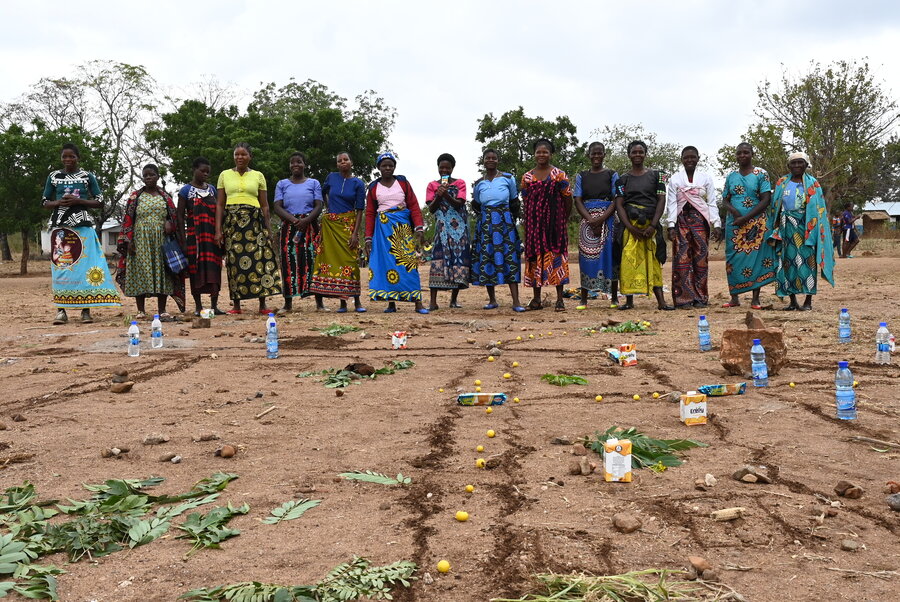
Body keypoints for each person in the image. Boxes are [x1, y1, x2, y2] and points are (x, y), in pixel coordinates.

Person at [42, 143, 120, 324]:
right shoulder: (54, 176)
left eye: (72, 157)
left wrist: (78, 200)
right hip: (60, 227)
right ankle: (61, 311)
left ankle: (86, 310)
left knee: (86, 266)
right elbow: (45, 201)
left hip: (83, 226)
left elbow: (100, 201)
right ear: (61, 158)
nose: (68, 160)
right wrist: (59, 202)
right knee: (61, 268)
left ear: (78, 158)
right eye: (64, 157)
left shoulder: (87, 176)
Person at [215, 143, 282, 314]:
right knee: (234, 262)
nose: (239, 157)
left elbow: (265, 206)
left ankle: (262, 304)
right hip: (232, 223)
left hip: (254, 222)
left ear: (250, 157)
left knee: (260, 259)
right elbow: (220, 204)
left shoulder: (259, 176)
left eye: (243, 154)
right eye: (236, 154)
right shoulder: (224, 175)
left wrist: (268, 229)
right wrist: (218, 230)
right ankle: (236, 305)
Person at [116, 164, 186, 319]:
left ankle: (162, 310)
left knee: (163, 273)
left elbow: (173, 217)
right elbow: (128, 219)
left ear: (158, 176)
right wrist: (129, 241)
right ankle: (141, 310)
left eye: (151, 175)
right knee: (140, 272)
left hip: (162, 241)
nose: (148, 178)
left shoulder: (166, 197)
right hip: (140, 240)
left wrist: (169, 223)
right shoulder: (135, 197)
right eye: (145, 175)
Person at [769, 152, 835, 311]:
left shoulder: (813, 184)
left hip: (807, 229)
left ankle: (808, 301)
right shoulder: (781, 183)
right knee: (787, 263)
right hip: (786, 229)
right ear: (789, 166)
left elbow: (820, 210)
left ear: (806, 165)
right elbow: (774, 207)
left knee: (808, 262)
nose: (797, 166)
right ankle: (792, 301)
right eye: (793, 163)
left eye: (800, 163)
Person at [364, 152, 429, 313]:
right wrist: (368, 238)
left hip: (402, 229)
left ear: (394, 167)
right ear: (378, 167)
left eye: (390, 165)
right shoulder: (373, 187)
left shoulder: (402, 182)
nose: (387, 168)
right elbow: (370, 213)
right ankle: (391, 303)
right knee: (387, 265)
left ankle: (417, 302)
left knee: (408, 263)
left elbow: (413, 205)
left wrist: (419, 227)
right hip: (382, 231)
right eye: (384, 165)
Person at [613, 140, 673, 311]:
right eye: (634, 152)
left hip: (650, 225)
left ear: (645, 154)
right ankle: (629, 301)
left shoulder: (657, 176)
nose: (637, 155)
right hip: (630, 226)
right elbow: (619, 204)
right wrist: (630, 228)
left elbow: (661, 200)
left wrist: (653, 225)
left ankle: (661, 302)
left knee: (653, 261)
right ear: (629, 155)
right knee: (629, 260)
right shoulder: (622, 180)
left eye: (641, 152)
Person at [665, 146, 722, 308]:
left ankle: (700, 297)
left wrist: (716, 223)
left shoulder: (705, 178)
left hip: (700, 221)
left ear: (698, 158)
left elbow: (711, 202)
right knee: (681, 258)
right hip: (681, 220)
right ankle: (683, 298)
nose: (689, 160)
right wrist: (670, 225)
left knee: (700, 258)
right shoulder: (675, 179)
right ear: (681, 159)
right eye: (686, 157)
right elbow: (672, 203)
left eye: (692, 157)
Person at [309, 152, 367, 312]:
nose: (343, 162)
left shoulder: (358, 183)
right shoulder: (331, 178)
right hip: (331, 226)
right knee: (334, 263)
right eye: (339, 161)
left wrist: (355, 234)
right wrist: (328, 208)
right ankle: (342, 303)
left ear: (351, 162)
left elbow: (360, 210)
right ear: (337, 164)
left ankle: (357, 301)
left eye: (346, 159)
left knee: (351, 262)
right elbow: (322, 192)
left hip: (348, 225)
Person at [721, 142, 776, 309]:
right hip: (735, 224)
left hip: (757, 224)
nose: (742, 156)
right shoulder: (731, 176)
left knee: (756, 259)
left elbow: (766, 200)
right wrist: (736, 213)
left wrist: (746, 218)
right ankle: (734, 298)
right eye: (739, 153)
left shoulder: (761, 174)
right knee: (732, 259)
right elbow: (725, 199)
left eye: (746, 152)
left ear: (752, 154)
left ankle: (755, 299)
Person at [521, 138, 571, 312]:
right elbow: (525, 201)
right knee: (535, 257)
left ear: (551, 154)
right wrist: (528, 224)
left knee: (556, 256)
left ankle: (559, 300)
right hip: (534, 224)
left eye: (545, 152)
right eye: (538, 152)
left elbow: (567, 198)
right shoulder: (527, 177)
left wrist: (563, 219)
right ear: (534, 154)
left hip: (554, 224)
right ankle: (536, 299)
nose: (541, 155)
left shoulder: (559, 175)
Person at [471, 149, 524, 312]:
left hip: (505, 223)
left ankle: (516, 301)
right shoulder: (479, 182)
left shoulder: (508, 178)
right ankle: (492, 300)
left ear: (498, 161)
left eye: (494, 158)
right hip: (486, 223)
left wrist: (512, 222)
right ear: (483, 161)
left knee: (510, 257)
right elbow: (477, 204)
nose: (491, 160)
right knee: (487, 257)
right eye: (488, 158)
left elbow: (515, 201)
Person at [273, 152, 324, 312]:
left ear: (304, 164)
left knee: (313, 261)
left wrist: (306, 220)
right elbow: (277, 206)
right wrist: (295, 221)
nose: (296, 165)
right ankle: (288, 303)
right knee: (288, 262)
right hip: (289, 227)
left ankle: (319, 303)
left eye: (299, 162)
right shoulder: (282, 184)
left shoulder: (314, 183)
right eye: (292, 163)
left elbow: (318, 205)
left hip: (310, 226)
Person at [573, 142, 619, 310]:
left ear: (604, 154)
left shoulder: (612, 174)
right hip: (587, 220)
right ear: (589, 155)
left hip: (608, 220)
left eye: (600, 153)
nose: (596, 156)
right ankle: (584, 299)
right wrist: (591, 220)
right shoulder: (581, 176)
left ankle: (614, 298)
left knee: (610, 256)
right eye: (594, 153)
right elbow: (577, 200)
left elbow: (616, 199)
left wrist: (601, 219)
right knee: (586, 257)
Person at [176, 157, 224, 316]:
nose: (205, 174)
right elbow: (180, 216)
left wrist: (219, 232)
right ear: (194, 170)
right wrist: (183, 240)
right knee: (195, 270)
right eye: (202, 171)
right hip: (194, 238)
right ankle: (198, 307)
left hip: (212, 236)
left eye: (207, 172)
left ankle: (214, 307)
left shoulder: (212, 190)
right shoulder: (185, 191)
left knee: (214, 269)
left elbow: (218, 211)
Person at [426, 153, 470, 310]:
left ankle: (454, 299)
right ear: (437, 168)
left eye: (447, 167)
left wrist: (445, 194)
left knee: (458, 261)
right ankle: (433, 301)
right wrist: (439, 195)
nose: (444, 170)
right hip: (442, 229)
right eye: (441, 167)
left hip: (459, 230)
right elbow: (431, 208)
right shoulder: (432, 185)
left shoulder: (460, 183)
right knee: (438, 260)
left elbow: (459, 204)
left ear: (452, 168)